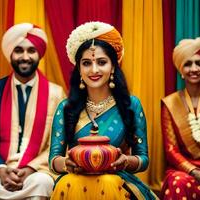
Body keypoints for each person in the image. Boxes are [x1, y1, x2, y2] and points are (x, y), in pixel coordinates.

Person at [49, 21, 158, 199]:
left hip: (116, 182)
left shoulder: (131, 105)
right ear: (78, 68)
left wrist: (125, 162)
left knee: (107, 183)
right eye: (86, 63)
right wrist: (67, 164)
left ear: (113, 66)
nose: (94, 70)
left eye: (101, 62)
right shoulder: (66, 108)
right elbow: (53, 160)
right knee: (68, 183)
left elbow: (143, 159)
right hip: (74, 180)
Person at [0, 23, 65, 200]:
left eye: (31, 51)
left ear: (39, 54)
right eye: (19, 50)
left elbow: (58, 143)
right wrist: (1, 170)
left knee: (43, 184)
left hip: (38, 171)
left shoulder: (56, 94)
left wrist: (30, 168)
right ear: (10, 53)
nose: (25, 57)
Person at [160, 37, 200, 199]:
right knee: (177, 182)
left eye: (199, 63)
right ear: (180, 70)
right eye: (188, 64)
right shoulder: (170, 103)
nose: (194, 69)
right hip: (186, 169)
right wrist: (194, 171)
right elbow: (171, 150)